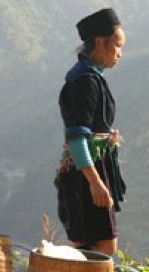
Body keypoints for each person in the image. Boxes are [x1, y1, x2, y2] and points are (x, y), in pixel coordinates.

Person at [56, 8, 126, 256]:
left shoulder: (89, 78)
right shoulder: (85, 82)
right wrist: (95, 182)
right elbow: (76, 137)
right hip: (86, 175)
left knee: (91, 248)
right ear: (100, 42)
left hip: (89, 172)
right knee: (102, 248)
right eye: (117, 45)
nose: (120, 53)